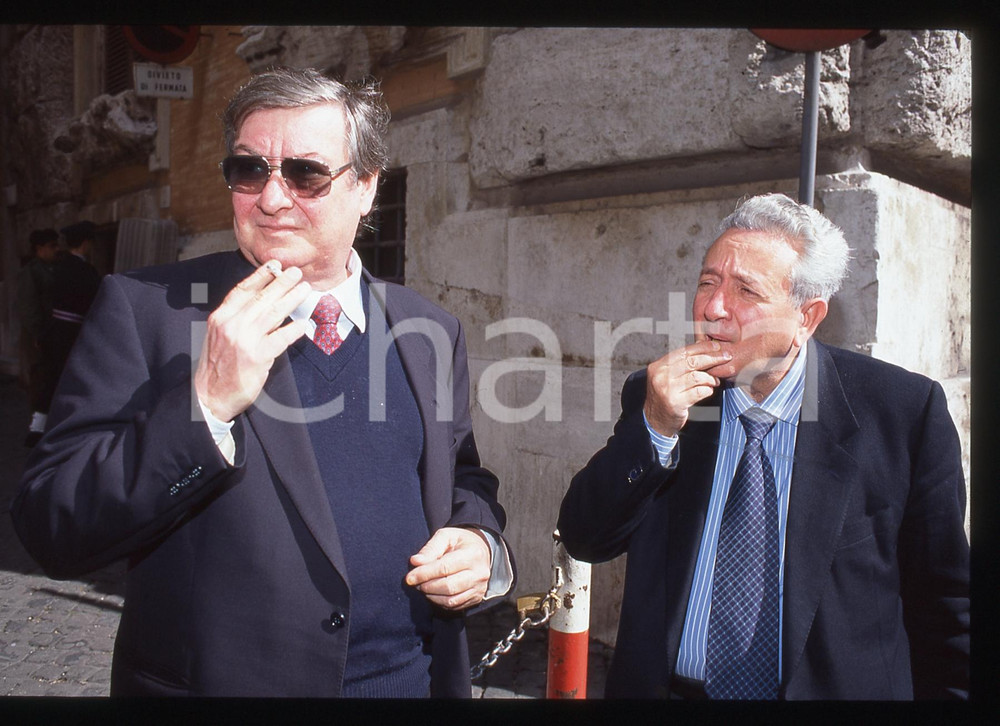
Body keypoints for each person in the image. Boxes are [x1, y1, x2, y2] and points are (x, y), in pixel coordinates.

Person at [12, 67, 514, 698]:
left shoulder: (429, 328)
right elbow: (50, 524)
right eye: (250, 171)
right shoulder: (145, 312)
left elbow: (462, 477)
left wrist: (480, 545)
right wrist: (206, 406)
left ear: (365, 187)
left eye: (306, 173)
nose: (272, 198)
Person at [557, 193, 969, 700]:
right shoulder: (663, 397)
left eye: (745, 291)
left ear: (807, 317)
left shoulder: (902, 414)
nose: (713, 307)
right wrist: (656, 429)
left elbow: (946, 606)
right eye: (708, 282)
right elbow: (584, 536)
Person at [34, 220, 102, 430]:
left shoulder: (58, 267)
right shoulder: (85, 271)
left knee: (51, 378)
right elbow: (97, 302)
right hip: (73, 332)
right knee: (73, 377)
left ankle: (37, 425)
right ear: (85, 244)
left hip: (54, 330)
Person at [16, 228, 59, 446]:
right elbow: (28, 306)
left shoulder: (52, 269)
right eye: (52, 246)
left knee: (48, 380)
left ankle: (45, 426)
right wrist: (37, 332)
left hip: (49, 333)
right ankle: (36, 429)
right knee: (38, 381)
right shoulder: (31, 272)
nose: (55, 250)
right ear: (39, 249)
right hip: (37, 336)